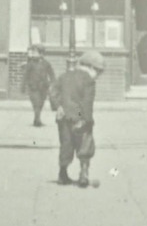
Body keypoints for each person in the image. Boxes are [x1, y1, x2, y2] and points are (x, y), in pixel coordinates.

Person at [49, 50, 105, 188]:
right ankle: (83, 174)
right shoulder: (89, 81)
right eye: (98, 72)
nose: (97, 76)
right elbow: (87, 103)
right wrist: (86, 120)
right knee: (85, 146)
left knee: (66, 145)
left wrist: (58, 106)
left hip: (63, 117)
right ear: (91, 68)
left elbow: (52, 91)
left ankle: (63, 173)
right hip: (80, 117)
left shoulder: (64, 76)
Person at [21, 44, 55, 127]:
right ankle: (37, 120)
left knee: (40, 103)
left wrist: (53, 83)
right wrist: (23, 86)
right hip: (33, 87)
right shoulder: (30, 64)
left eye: (35, 52)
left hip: (43, 87)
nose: (33, 54)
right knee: (36, 103)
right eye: (33, 52)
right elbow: (25, 75)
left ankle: (36, 119)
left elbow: (51, 74)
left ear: (41, 54)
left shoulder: (46, 64)